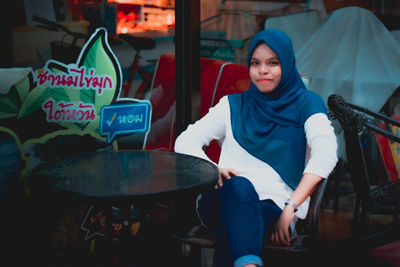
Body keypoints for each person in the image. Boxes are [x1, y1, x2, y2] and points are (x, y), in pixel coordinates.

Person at [174, 29, 338, 267]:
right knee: (240, 186)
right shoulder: (233, 105)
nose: (262, 70)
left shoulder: (307, 103)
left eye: (273, 63)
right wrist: (211, 168)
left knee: (232, 230)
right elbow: (185, 141)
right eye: (255, 63)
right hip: (221, 199)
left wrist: (291, 207)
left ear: (287, 64)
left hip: (274, 207)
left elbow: (326, 155)